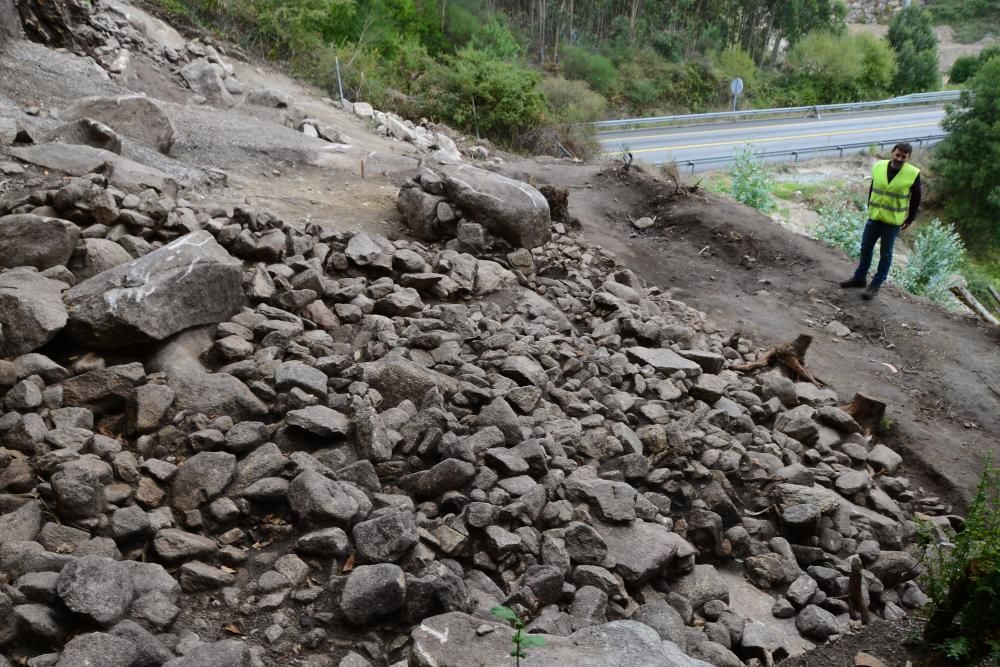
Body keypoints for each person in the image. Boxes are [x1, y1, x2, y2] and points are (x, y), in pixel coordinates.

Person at [840, 142, 922, 300]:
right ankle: (859, 278)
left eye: (903, 157)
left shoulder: (913, 173)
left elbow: (916, 198)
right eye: (897, 155)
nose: (899, 159)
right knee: (865, 248)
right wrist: (870, 207)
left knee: (886, 253)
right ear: (892, 153)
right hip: (875, 216)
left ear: (908, 158)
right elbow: (873, 187)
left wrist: (910, 218)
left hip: (892, 221)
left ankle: (876, 284)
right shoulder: (879, 166)